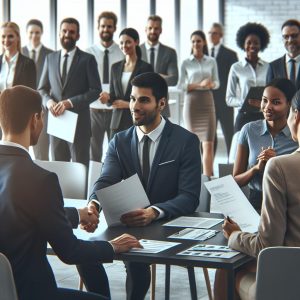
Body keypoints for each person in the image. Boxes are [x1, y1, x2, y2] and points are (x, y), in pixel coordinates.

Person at [0, 85, 141, 300]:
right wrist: (112, 247)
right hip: (31, 293)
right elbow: (70, 251)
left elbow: (17, 214)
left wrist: (77, 214)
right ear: (35, 119)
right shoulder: (40, 179)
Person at [77, 72, 202, 300]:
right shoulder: (120, 141)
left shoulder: (186, 142)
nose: (134, 106)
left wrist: (153, 212)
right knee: (82, 252)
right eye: (133, 99)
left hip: (166, 224)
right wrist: (94, 205)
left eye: (143, 100)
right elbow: (106, 180)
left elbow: (189, 196)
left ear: (161, 103)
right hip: (128, 222)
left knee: (135, 259)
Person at [214, 88, 300, 300]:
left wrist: (234, 235)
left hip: (289, 279)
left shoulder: (280, 166)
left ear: (295, 116)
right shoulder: (249, 130)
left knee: (226, 271)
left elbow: (268, 245)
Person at [39, 18, 101, 166]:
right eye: (64, 31)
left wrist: (70, 103)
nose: (67, 34)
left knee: (80, 168)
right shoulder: (50, 58)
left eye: (71, 32)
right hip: (56, 123)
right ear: (59, 33)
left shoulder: (88, 59)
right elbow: (41, 88)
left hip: (79, 125)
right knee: (59, 167)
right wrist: (49, 102)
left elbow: (95, 90)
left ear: (78, 36)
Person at [233, 78, 298, 213]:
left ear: (289, 104)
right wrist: (256, 168)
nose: (267, 107)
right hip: (256, 201)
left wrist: (276, 164)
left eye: (276, 102)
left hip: (289, 202)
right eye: (264, 100)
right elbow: (236, 180)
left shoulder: (296, 135)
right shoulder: (248, 130)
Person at [178, 30, 219, 176]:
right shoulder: (185, 62)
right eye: (193, 41)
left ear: (204, 43)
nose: (196, 44)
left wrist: (210, 84)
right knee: (193, 145)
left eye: (199, 41)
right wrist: (198, 85)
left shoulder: (211, 61)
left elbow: (217, 83)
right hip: (192, 104)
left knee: (209, 144)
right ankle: (193, 179)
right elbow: (180, 86)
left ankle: (208, 179)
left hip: (207, 103)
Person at [100, 28, 153, 138]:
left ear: (136, 42)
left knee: (135, 154)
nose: (124, 45)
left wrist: (127, 104)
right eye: (121, 43)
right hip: (116, 123)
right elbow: (114, 97)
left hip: (137, 121)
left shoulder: (146, 68)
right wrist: (107, 98)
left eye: (128, 42)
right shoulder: (115, 68)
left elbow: (148, 98)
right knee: (115, 154)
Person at [86, 11, 124, 162]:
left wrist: (111, 97)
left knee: (116, 154)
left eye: (109, 26)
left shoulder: (122, 52)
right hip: (93, 111)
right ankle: (94, 185)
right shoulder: (88, 53)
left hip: (115, 110)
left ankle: (113, 185)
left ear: (115, 28)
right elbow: (84, 82)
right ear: (98, 27)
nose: (106, 29)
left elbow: (124, 84)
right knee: (93, 155)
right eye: (103, 26)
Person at [226, 23, 270, 132]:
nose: (252, 45)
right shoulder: (236, 68)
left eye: (256, 43)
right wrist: (245, 102)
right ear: (243, 44)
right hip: (244, 116)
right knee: (240, 148)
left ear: (261, 45)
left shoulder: (268, 66)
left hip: (263, 116)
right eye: (249, 42)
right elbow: (229, 99)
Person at [22, 19, 53, 161]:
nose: (34, 35)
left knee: (42, 150)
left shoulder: (51, 55)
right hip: (21, 106)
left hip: (42, 108)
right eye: (31, 32)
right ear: (26, 34)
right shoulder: (19, 53)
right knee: (20, 148)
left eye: (37, 33)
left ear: (42, 33)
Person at [208, 22, 238, 158]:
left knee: (229, 135)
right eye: (209, 33)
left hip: (225, 103)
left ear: (220, 35)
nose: (211, 35)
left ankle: (232, 166)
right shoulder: (202, 53)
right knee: (209, 138)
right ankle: (208, 171)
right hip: (207, 103)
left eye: (214, 33)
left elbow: (235, 80)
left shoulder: (230, 54)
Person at [140, 15, 179, 117]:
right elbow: (133, 78)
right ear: (145, 30)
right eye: (150, 28)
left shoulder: (170, 52)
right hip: (140, 106)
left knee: (164, 133)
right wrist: (159, 77)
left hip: (161, 106)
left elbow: (174, 79)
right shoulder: (136, 51)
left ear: (161, 30)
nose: (153, 31)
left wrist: (147, 78)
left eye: (156, 28)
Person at [266, 19, 300, 90]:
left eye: (294, 36)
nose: (290, 40)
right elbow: (268, 95)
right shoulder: (273, 66)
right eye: (286, 37)